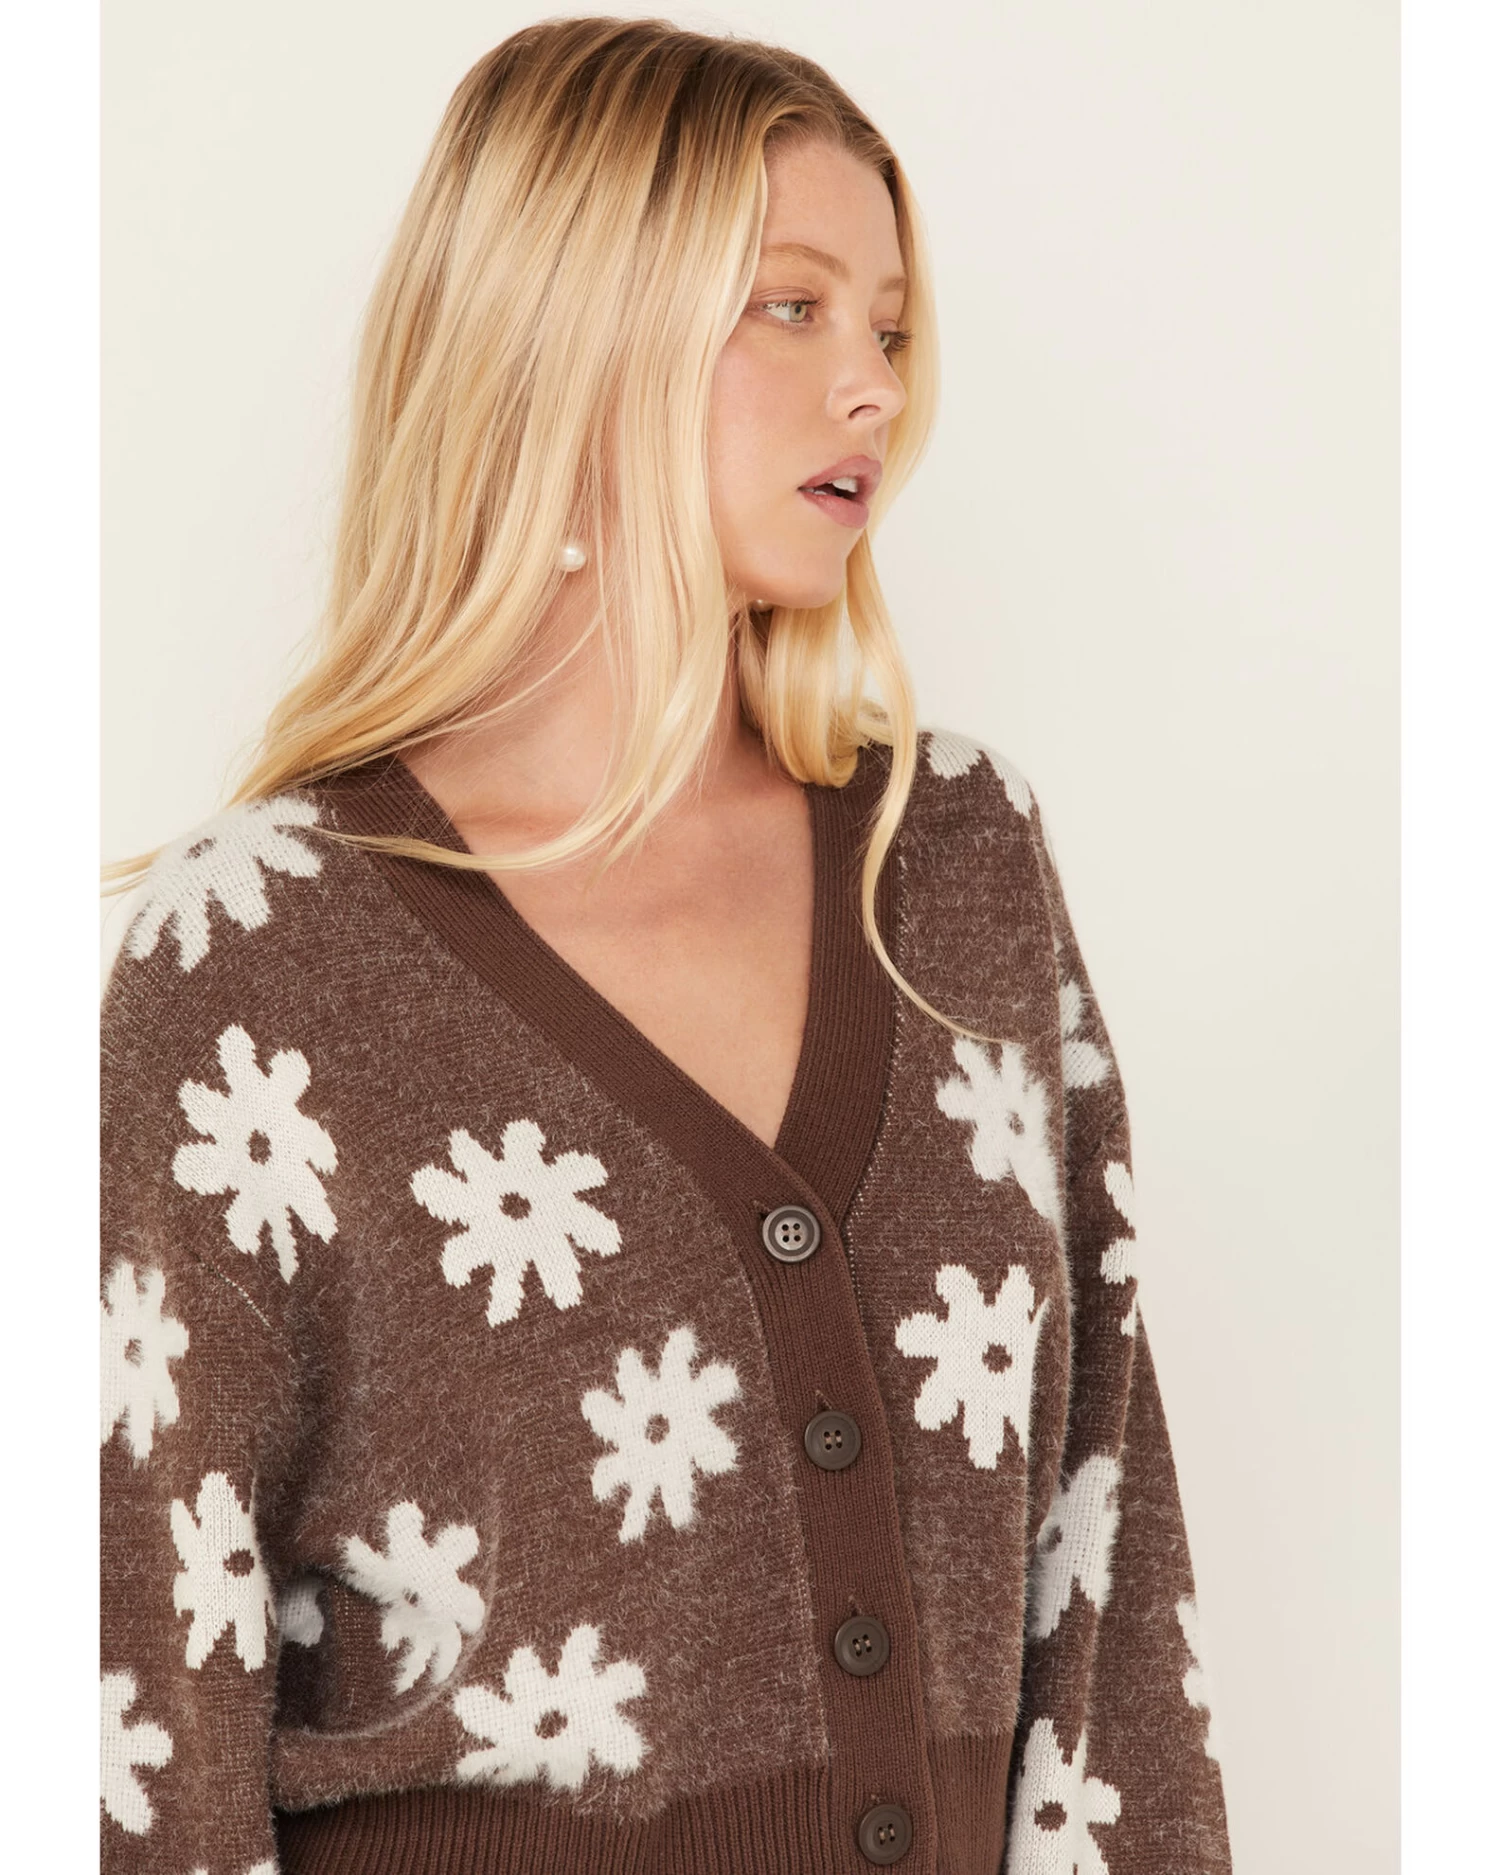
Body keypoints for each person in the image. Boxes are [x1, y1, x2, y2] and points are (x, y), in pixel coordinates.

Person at [100, 17, 1233, 1874]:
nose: (870, 387)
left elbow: (1108, 1576)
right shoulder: (258, 958)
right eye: (790, 306)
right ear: (571, 336)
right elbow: (143, 1687)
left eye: (888, 327)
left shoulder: (957, 859)